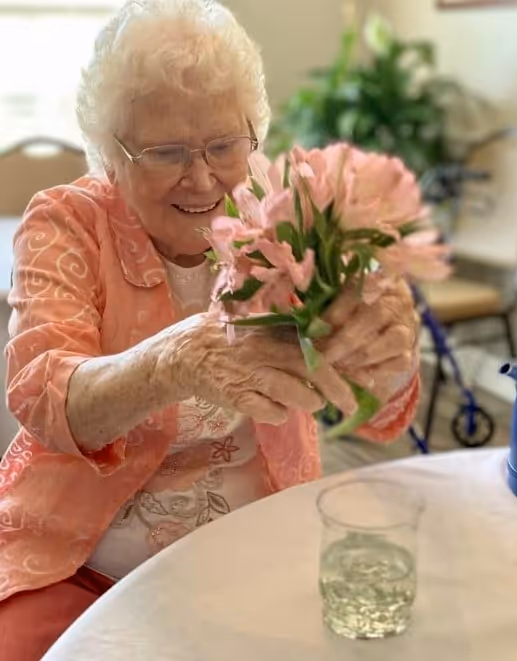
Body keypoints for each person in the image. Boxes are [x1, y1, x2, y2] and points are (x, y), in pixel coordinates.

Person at [0, 0, 420, 657]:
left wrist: (389, 353)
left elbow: (373, 413)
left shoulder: (292, 213)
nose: (203, 177)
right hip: (85, 561)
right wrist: (174, 361)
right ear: (110, 155)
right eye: (167, 152)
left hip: (259, 541)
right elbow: (42, 393)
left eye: (224, 145)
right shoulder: (68, 222)